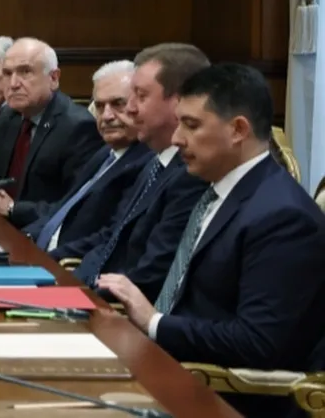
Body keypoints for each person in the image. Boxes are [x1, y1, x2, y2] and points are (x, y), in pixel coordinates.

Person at [100, 64, 325, 418]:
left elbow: (257, 342)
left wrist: (154, 321)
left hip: (223, 399)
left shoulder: (282, 216)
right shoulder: (216, 190)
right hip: (169, 368)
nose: (177, 139)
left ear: (238, 130)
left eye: (191, 125)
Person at [51, 43, 211, 301]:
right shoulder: (155, 163)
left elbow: (150, 275)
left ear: (179, 101)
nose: (131, 108)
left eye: (140, 96)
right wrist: (66, 285)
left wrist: (78, 295)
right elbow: (111, 238)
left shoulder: (191, 175)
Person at [0, 60, 150, 250]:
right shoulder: (104, 154)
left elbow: (109, 239)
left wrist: (44, 256)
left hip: (65, 261)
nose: (107, 116)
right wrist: (22, 240)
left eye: (118, 104)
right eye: (100, 106)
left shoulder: (145, 164)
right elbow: (61, 211)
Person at [0, 37, 101, 204]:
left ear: (53, 78)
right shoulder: (8, 116)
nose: (13, 84)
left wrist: (11, 208)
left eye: (25, 72)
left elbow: (75, 208)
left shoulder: (79, 127)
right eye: (7, 73)